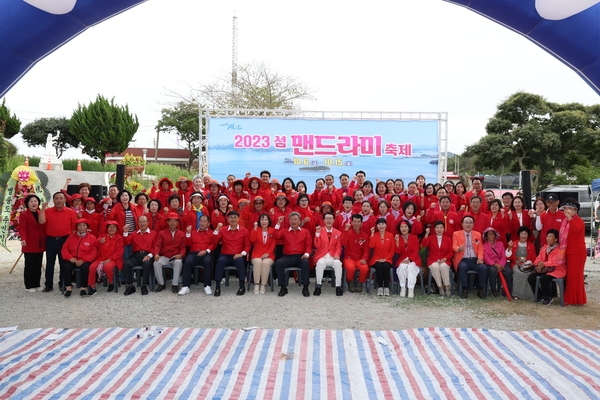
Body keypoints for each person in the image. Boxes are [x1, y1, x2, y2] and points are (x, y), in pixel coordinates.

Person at [39, 192, 77, 292]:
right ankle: (48, 284)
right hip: (51, 240)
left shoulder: (70, 212)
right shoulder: (48, 211)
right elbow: (41, 221)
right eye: (56, 198)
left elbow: (74, 228)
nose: (59, 200)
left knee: (63, 263)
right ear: (53, 200)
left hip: (65, 240)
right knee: (50, 263)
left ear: (64, 200)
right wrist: (42, 208)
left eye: (61, 198)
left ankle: (63, 283)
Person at [274, 212, 313, 297]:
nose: (293, 221)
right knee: (278, 263)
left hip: (300, 256)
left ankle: (305, 287)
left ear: (299, 221)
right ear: (289, 221)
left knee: (305, 263)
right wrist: (278, 223)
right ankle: (283, 287)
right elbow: (275, 235)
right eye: (291, 219)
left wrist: (306, 254)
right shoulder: (284, 231)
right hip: (288, 257)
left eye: (295, 219)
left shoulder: (305, 232)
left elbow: (309, 245)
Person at [212, 211, 251, 296]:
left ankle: (242, 286)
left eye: (235, 217)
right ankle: (217, 287)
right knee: (220, 261)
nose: (233, 219)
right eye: (231, 217)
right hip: (225, 255)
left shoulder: (244, 231)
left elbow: (248, 245)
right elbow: (214, 241)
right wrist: (217, 230)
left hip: (238, 255)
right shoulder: (223, 230)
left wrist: (242, 254)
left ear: (238, 218)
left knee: (240, 262)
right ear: (228, 219)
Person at [180, 214, 216, 296]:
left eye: (204, 221)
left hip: (206, 253)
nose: (202, 223)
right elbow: (187, 244)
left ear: (208, 223)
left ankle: (207, 285)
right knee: (187, 261)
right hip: (193, 253)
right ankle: (186, 286)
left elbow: (213, 244)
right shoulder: (193, 232)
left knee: (208, 262)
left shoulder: (211, 233)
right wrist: (188, 234)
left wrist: (206, 251)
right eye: (200, 221)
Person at [560, 198, 587, 305]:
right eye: (565, 208)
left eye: (570, 209)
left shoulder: (578, 220)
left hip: (577, 252)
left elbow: (575, 229)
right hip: (569, 251)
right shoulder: (565, 221)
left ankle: (575, 299)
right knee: (570, 276)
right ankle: (572, 298)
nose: (567, 210)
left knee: (575, 276)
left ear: (575, 210)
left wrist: (570, 218)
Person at [528, 229, 566, 305]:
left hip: (556, 270)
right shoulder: (545, 247)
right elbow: (538, 258)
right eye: (547, 236)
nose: (548, 238)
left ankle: (548, 297)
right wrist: (539, 265)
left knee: (544, 278)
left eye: (550, 237)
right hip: (545, 269)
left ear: (556, 239)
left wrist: (544, 264)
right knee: (531, 277)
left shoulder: (560, 249)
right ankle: (540, 295)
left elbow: (556, 262)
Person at [61, 219, 97, 297]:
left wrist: (83, 259)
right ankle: (68, 288)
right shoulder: (71, 237)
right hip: (73, 259)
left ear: (87, 227)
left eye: (84, 225)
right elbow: (64, 248)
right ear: (77, 227)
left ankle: (83, 288)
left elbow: (93, 252)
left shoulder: (92, 238)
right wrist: (70, 258)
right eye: (79, 225)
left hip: (85, 260)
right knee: (66, 267)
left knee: (85, 267)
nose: (81, 227)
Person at [453, 215, 487, 299]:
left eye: (470, 223)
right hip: (463, 259)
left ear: (473, 224)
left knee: (483, 268)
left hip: (474, 259)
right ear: (462, 224)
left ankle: (480, 289)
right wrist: (458, 249)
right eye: (466, 222)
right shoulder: (456, 234)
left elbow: (480, 247)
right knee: (463, 267)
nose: (468, 224)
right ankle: (465, 289)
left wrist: (480, 258)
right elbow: (454, 246)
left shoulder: (477, 234)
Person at [122, 215, 157, 296]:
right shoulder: (134, 234)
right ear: (137, 223)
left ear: (148, 223)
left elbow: (156, 246)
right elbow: (126, 242)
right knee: (127, 263)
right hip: (136, 255)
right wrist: (125, 232)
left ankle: (144, 285)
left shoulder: (154, 234)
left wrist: (149, 255)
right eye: (140, 222)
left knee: (147, 264)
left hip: (148, 254)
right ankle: (130, 286)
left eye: (144, 221)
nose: (142, 223)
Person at [152, 212, 186, 293]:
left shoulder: (181, 234)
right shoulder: (162, 233)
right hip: (164, 256)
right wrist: (156, 254)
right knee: (156, 263)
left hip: (175, 256)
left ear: (178, 222)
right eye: (170, 221)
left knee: (178, 262)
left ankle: (175, 284)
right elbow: (157, 245)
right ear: (167, 222)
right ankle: (161, 284)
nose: (172, 223)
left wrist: (181, 254)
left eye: (175, 221)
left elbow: (183, 247)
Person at [19, 194, 46, 292]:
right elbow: (22, 228)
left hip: (40, 242)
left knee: (38, 264)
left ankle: (37, 283)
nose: (34, 203)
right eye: (31, 202)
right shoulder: (24, 215)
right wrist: (23, 239)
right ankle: (29, 285)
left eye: (35, 201)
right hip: (29, 242)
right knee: (29, 265)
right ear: (27, 204)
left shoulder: (40, 212)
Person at [89, 220, 124, 294]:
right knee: (92, 267)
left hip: (113, 259)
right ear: (107, 228)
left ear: (117, 229)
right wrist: (99, 242)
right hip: (101, 257)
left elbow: (119, 252)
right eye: (110, 227)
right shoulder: (102, 235)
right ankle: (92, 286)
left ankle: (111, 282)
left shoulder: (119, 238)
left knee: (107, 267)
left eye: (114, 227)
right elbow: (95, 244)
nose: (111, 229)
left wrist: (110, 259)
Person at [313, 212, 343, 296]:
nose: (328, 220)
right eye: (327, 218)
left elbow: (338, 246)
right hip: (322, 256)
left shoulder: (338, 233)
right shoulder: (319, 230)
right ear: (324, 220)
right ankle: (318, 286)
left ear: (333, 220)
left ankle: (338, 287)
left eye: (330, 218)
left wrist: (337, 255)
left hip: (333, 256)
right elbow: (316, 245)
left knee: (338, 263)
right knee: (320, 264)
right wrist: (317, 234)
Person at [421, 221, 453, 296]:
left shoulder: (448, 239)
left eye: (441, 227)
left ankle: (447, 287)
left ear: (444, 229)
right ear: (434, 229)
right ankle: (440, 287)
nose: (439, 229)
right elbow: (424, 244)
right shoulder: (431, 238)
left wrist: (445, 258)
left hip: (445, 260)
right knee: (435, 267)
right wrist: (426, 234)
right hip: (433, 260)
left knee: (443, 266)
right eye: (437, 228)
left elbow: (451, 252)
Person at [342, 214, 370, 292]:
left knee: (364, 268)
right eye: (354, 221)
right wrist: (346, 231)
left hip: (360, 258)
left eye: (358, 222)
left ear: (361, 223)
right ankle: (350, 282)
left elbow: (366, 250)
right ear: (351, 222)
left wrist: (364, 258)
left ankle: (360, 283)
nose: (356, 224)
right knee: (350, 268)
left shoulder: (365, 235)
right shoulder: (348, 233)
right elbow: (343, 243)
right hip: (349, 258)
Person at [249, 214, 276, 294]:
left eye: (265, 220)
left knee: (265, 263)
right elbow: (252, 240)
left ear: (268, 221)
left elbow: (273, 244)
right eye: (262, 220)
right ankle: (256, 284)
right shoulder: (256, 229)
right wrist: (255, 228)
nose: (264, 221)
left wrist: (267, 253)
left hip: (269, 255)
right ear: (259, 221)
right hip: (256, 254)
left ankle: (263, 284)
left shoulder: (272, 230)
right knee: (258, 262)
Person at [395, 220, 421, 298]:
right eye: (401, 227)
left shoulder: (414, 237)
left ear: (409, 228)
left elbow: (416, 250)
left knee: (410, 267)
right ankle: (403, 287)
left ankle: (410, 288)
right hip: (402, 258)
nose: (403, 229)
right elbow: (397, 251)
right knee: (402, 267)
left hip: (414, 259)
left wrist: (410, 260)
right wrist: (397, 242)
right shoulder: (398, 237)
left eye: (405, 227)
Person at [369, 217, 395, 296]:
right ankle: (380, 287)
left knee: (386, 266)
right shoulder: (375, 235)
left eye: (383, 224)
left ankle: (386, 287)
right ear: (377, 226)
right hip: (376, 259)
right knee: (379, 266)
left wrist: (386, 259)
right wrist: (372, 234)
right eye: (379, 224)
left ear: (386, 225)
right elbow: (371, 245)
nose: (381, 226)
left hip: (387, 259)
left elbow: (392, 250)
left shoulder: (390, 235)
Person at [482, 227, 510, 297]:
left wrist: (500, 265)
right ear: (486, 236)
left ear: (495, 235)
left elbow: (504, 256)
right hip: (491, 264)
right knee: (493, 270)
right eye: (489, 234)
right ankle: (493, 289)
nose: (491, 236)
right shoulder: (484, 246)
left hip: (501, 263)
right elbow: (486, 258)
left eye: (492, 234)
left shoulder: (500, 244)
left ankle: (506, 289)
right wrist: (495, 265)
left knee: (508, 271)